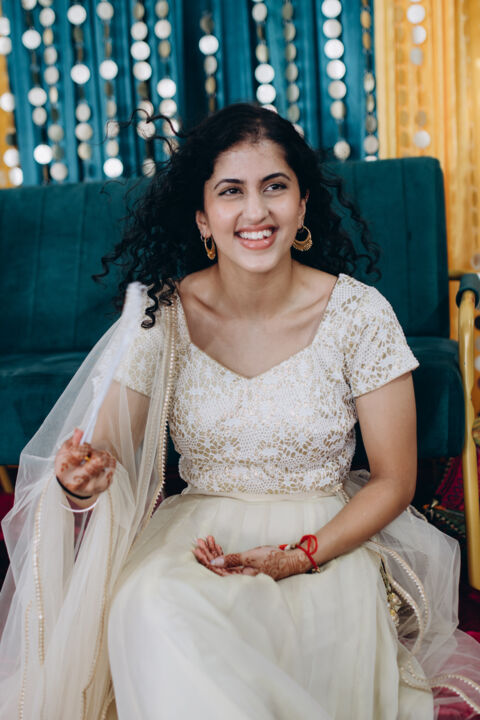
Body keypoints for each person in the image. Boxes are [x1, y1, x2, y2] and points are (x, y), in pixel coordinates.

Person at [1, 103, 480, 720]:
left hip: (324, 545)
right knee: (150, 605)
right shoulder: (163, 316)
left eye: (274, 187)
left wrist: (300, 554)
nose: (256, 212)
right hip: (196, 541)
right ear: (204, 217)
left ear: (302, 205)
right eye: (231, 191)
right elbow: (106, 450)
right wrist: (80, 480)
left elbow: (394, 480)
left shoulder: (361, 315)